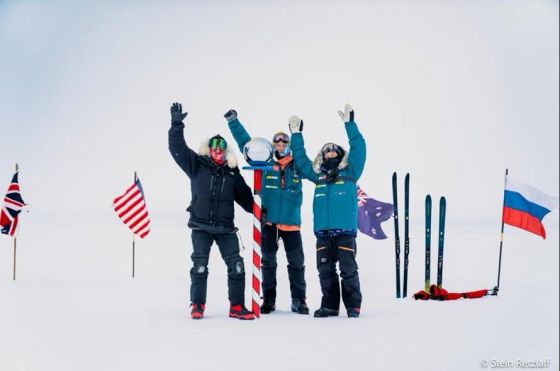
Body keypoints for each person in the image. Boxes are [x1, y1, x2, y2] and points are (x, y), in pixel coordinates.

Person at [168, 102, 255, 320]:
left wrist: (262, 213)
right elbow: (176, 149)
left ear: (225, 151)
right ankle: (198, 305)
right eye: (214, 146)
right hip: (201, 227)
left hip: (225, 229)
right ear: (209, 149)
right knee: (200, 266)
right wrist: (176, 124)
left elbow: (246, 199)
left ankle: (237, 307)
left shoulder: (232, 174)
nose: (218, 150)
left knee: (236, 265)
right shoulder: (196, 165)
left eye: (221, 147)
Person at [223, 109, 309, 315]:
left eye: (284, 143)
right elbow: (247, 145)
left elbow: (304, 157)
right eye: (277, 143)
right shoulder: (266, 162)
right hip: (269, 222)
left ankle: (299, 300)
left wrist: (297, 135)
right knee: (268, 262)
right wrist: (233, 122)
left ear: (288, 145)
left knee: (296, 262)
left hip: (291, 222)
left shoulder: (298, 166)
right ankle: (268, 300)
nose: (280, 146)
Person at [289, 104, 366, 318]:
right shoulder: (318, 176)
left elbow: (359, 148)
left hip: (345, 233)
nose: (329, 152)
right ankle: (330, 306)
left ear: (340, 154)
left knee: (348, 270)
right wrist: (296, 135)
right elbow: (302, 161)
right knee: (325, 271)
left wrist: (350, 124)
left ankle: (353, 306)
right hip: (322, 233)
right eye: (326, 150)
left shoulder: (351, 172)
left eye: (333, 149)